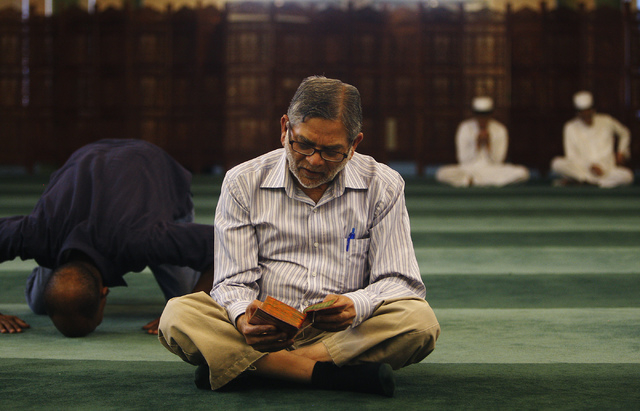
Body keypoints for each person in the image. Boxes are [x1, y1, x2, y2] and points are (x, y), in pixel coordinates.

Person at [158, 76, 440, 397]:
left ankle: (251, 367)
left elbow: (400, 281)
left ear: (354, 144)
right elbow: (232, 282)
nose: (314, 161)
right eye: (303, 144)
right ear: (285, 129)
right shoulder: (243, 182)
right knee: (179, 315)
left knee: (419, 321)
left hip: (343, 333)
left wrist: (356, 304)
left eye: (332, 151)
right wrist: (243, 319)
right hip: (265, 333)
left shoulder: (383, 184)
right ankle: (327, 375)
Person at [0, 139, 214, 337]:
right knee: (41, 304)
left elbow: (220, 246)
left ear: (104, 293)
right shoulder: (39, 232)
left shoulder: (142, 237)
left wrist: (186, 313)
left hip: (152, 164)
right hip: (86, 160)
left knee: (187, 304)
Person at [436, 96, 530, 187]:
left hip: (492, 170)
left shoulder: (500, 129)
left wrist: (489, 144)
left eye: (485, 115)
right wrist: (476, 144)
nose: (482, 119)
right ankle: (486, 182)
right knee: (441, 173)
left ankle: (473, 181)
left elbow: (498, 161)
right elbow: (463, 160)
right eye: (479, 115)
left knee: (523, 173)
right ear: (474, 115)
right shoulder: (465, 128)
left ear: (491, 115)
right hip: (469, 169)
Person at [550, 91, 633, 188]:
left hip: (606, 170)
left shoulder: (607, 121)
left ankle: (586, 182)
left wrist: (621, 151)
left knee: (628, 176)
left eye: (588, 112)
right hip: (584, 169)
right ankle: (595, 182)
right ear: (578, 113)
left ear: (593, 110)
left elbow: (625, 133)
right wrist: (589, 166)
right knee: (556, 164)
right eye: (583, 113)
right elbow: (571, 156)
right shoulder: (570, 127)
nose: (586, 115)